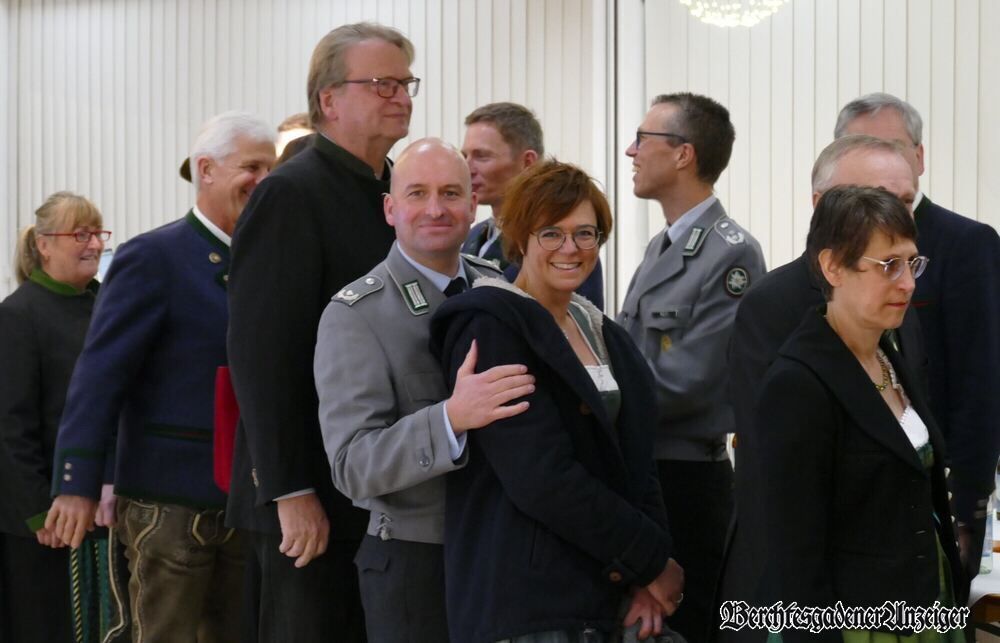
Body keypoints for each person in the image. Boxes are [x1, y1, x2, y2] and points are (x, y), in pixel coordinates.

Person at [46, 111, 276, 643]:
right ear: (207, 170)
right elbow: (100, 375)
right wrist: (77, 482)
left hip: (247, 499)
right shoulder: (154, 256)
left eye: (272, 168)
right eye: (252, 167)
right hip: (168, 503)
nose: (264, 181)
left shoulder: (269, 259)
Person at [431, 160, 684, 643]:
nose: (571, 248)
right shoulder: (490, 325)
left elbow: (638, 459)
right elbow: (540, 478)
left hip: (608, 587)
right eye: (551, 233)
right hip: (530, 600)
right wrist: (648, 559)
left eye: (585, 233)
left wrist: (644, 578)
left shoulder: (603, 331)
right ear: (522, 237)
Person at [226, 22, 418, 642]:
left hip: (379, 481)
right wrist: (289, 488)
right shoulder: (291, 192)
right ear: (328, 100)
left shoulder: (394, 190)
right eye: (382, 83)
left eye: (406, 82)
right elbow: (262, 353)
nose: (400, 96)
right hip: (310, 489)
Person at [315, 138, 535, 642]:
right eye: (417, 194)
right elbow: (352, 465)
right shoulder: (356, 315)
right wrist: (449, 419)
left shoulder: (499, 290)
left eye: (451, 193)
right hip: (418, 560)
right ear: (391, 209)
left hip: (505, 550)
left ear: (472, 205)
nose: (435, 209)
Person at [717, 135, 929, 638]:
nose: (887, 213)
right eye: (871, 196)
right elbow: (777, 493)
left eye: (903, 201)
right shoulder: (777, 307)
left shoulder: (894, 307)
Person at [752, 185, 964, 642]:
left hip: (926, 602)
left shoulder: (888, 351)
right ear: (833, 267)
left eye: (912, 262)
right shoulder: (798, 383)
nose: (907, 282)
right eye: (888, 265)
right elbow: (794, 553)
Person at [616, 92, 766, 642]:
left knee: (689, 624)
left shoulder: (731, 253)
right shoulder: (663, 245)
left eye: (643, 139)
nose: (631, 150)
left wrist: (594, 396)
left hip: (687, 478)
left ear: (683, 154)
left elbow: (689, 382)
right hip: (646, 468)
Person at [835, 93, 1000, 583]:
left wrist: (968, 505)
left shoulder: (965, 243)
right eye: (861, 148)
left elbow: (982, 381)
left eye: (890, 146)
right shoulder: (837, 247)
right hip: (857, 493)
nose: (879, 163)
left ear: (919, 157)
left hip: (937, 486)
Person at [0, 192, 111, 643]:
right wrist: (37, 513)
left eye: (98, 234)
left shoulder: (108, 305)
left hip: (104, 511)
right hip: (44, 523)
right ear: (44, 245)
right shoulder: (18, 315)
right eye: (79, 234)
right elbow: (10, 426)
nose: (94, 245)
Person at [461, 102, 605, 309]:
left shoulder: (566, 247)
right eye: (464, 155)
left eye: (482, 156)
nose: (467, 168)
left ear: (527, 162)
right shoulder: (474, 236)